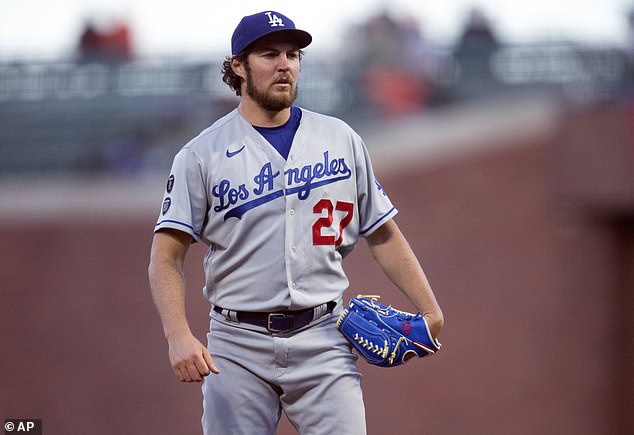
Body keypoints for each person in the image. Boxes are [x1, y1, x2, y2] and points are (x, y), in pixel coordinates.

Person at [148, 10, 443, 435]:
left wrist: (431, 310)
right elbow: (165, 257)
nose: (284, 63)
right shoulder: (201, 154)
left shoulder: (340, 138)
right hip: (236, 343)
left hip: (324, 337)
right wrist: (177, 334)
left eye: (293, 54)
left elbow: (382, 232)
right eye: (269, 54)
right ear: (238, 67)